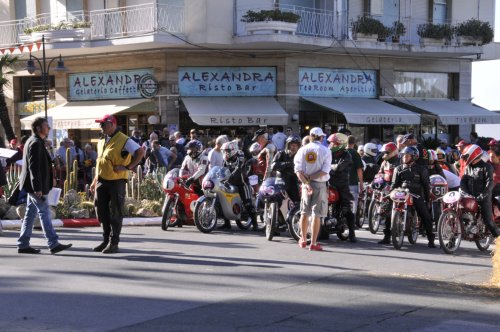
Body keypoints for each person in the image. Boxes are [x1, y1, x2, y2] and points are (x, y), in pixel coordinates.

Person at [17, 117, 72, 254]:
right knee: (45, 212)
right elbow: (34, 167)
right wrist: (38, 188)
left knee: (30, 214)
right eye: (46, 126)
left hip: (34, 185)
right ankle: (53, 243)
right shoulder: (35, 142)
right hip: (35, 186)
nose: (49, 128)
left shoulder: (35, 141)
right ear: (38, 128)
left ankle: (23, 244)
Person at [90, 114, 145, 254]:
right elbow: (100, 162)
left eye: (103, 124)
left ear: (112, 124)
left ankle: (114, 243)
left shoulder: (124, 139)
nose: (101, 127)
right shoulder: (102, 140)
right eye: (100, 124)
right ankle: (105, 240)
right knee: (100, 210)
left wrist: (127, 167)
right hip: (102, 180)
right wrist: (95, 180)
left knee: (115, 211)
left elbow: (140, 152)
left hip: (117, 181)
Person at [294, 127, 332, 251]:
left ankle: (303, 239)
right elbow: (324, 171)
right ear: (321, 138)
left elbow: (298, 171)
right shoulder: (326, 151)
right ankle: (313, 243)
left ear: (310, 136)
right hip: (320, 184)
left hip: (306, 184)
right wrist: (311, 178)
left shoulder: (302, 150)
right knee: (317, 214)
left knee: (304, 212)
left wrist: (306, 182)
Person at [391, 146, 436, 248]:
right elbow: (393, 185)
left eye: (407, 156)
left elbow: (426, 185)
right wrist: (390, 193)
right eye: (403, 156)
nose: (404, 158)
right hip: (401, 194)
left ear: (414, 157)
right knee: (388, 211)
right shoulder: (398, 169)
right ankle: (388, 235)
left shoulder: (421, 169)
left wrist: (427, 199)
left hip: (416, 195)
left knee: (426, 216)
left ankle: (431, 240)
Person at [460, 144, 499, 238]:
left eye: (466, 156)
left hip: (484, 198)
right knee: (459, 213)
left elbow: (490, 183)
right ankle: (452, 240)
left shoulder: (487, 167)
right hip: (470, 197)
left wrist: (483, 194)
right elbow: (463, 181)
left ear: (473, 154)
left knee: (489, 222)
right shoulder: (468, 167)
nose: (465, 159)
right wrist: (465, 193)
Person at [220, 140, 258, 230]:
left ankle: (255, 224)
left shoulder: (240, 155)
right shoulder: (225, 160)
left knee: (247, 203)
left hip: (243, 183)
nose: (225, 153)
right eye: (224, 151)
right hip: (230, 182)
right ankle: (227, 223)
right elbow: (221, 170)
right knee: (224, 200)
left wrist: (229, 178)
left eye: (227, 151)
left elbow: (238, 169)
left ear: (233, 150)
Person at [328, 133, 357, 242]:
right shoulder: (328, 153)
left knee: (346, 208)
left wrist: (329, 167)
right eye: (330, 143)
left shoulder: (346, 155)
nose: (331, 145)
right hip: (327, 182)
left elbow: (339, 167)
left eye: (333, 143)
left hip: (341, 184)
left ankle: (352, 234)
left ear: (340, 144)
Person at [377, 142, 401, 245]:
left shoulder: (400, 162)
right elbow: (379, 174)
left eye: (387, 152)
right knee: (386, 213)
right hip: (387, 190)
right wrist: (376, 182)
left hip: (398, 189)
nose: (384, 154)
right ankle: (387, 236)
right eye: (384, 152)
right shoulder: (384, 163)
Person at [271, 135, 301, 204]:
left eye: (296, 145)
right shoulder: (281, 153)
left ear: (298, 146)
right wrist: (288, 164)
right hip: (281, 180)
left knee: (297, 201)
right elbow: (273, 166)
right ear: (288, 145)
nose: (294, 147)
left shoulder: (300, 156)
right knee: (275, 198)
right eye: (292, 145)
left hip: (294, 180)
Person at [347, 135, 363, 215]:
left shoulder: (341, 151)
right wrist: (361, 183)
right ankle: (351, 222)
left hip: (341, 183)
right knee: (353, 203)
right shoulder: (355, 154)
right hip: (352, 182)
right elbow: (359, 169)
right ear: (354, 143)